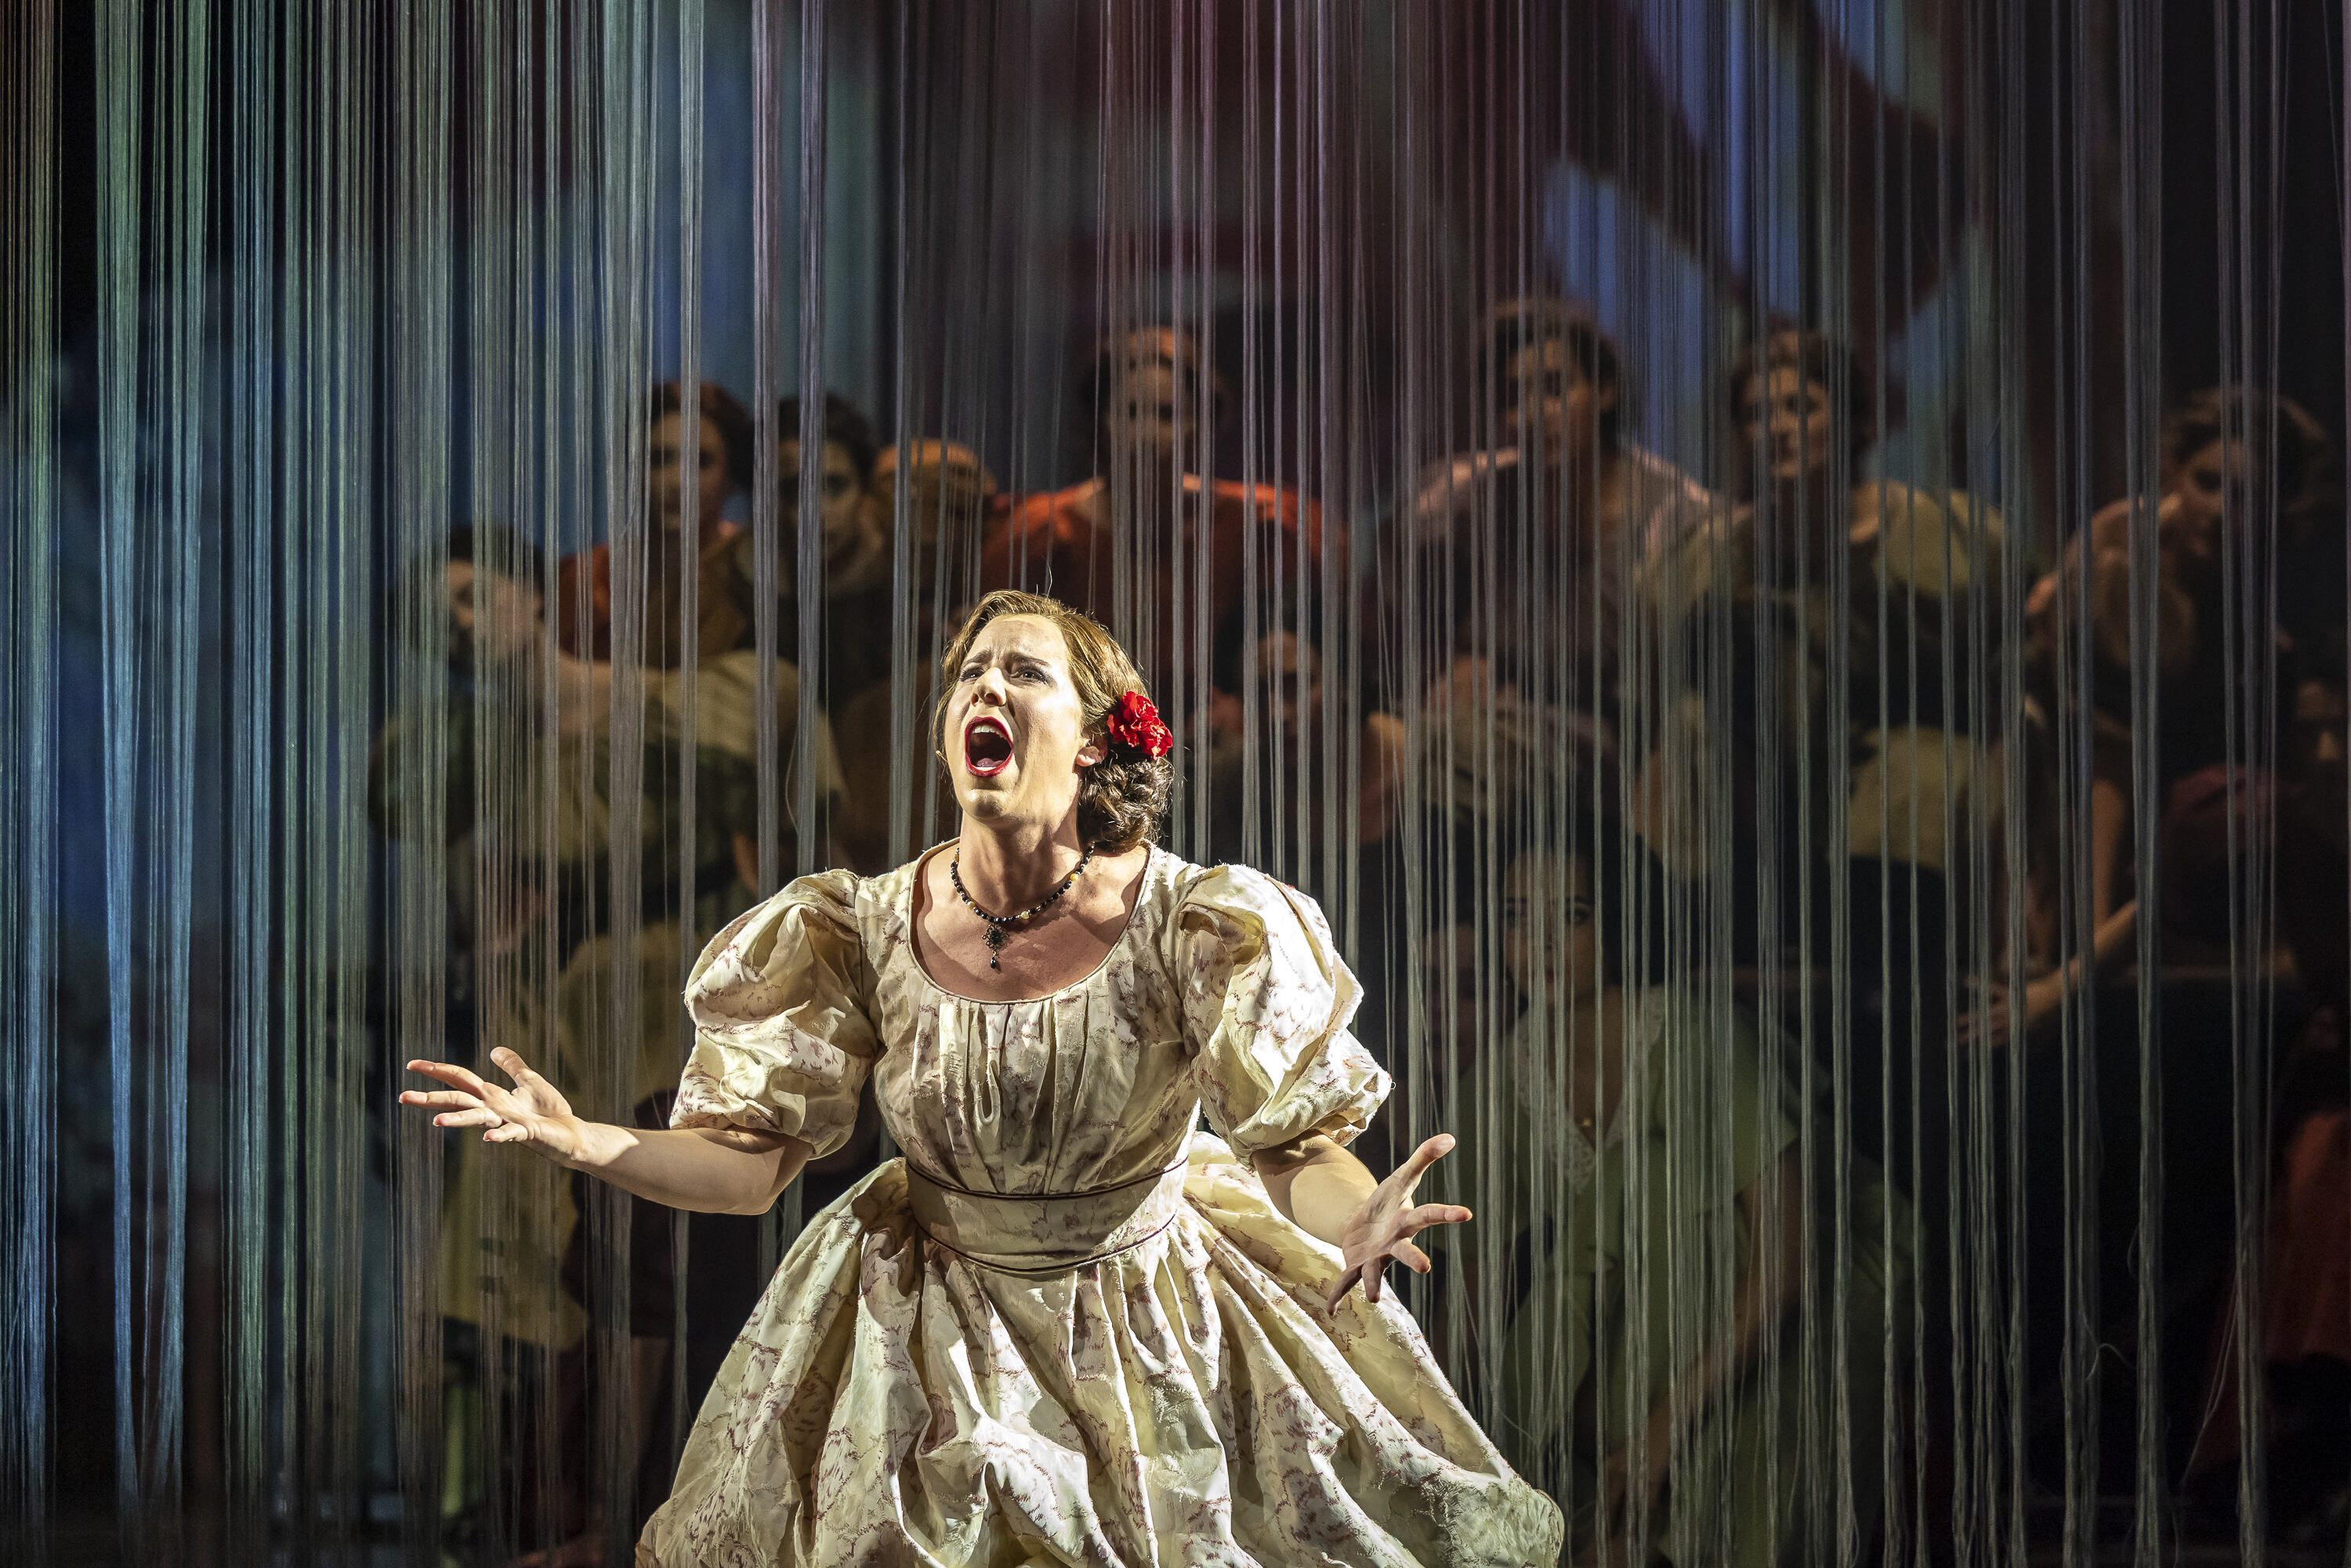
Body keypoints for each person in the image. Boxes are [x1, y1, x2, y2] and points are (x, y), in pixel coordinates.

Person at [401, 588, 1564, 1566]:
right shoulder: (857, 924)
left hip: (1144, 1316)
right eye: (969, 673)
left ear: (1104, 736)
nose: (983, 689)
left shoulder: (1193, 920)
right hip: (926, 1327)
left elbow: (1293, 1150)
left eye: (1025, 672)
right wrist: (588, 1142)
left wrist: (1351, 1215)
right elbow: (749, 1169)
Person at [1450, 809, 1910, 1566]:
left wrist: (1667, 1424)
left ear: (1620, 922)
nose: (1535, 941)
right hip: (1646, 1302)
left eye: (1572, 915)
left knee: (1665, 1212)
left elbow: (1785, 1265)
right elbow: (1468, 1286)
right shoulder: (1499, 1080)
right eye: (1514, 915)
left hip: (1801, 1283)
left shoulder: (1701, 1038)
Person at [982, 327, 1339, 698]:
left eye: (1167, 415)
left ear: (1197, 426)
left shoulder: (1264, 527)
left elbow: (1298, 664)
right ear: (1101, 423)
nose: (1148, 434)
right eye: (1131, 412)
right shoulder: (1046, 536)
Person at [558, 380, 759, 666]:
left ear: (731, 478)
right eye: (659, 459)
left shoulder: (755, 577)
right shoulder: (591, 579)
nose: (678, 482)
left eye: (701, 461)